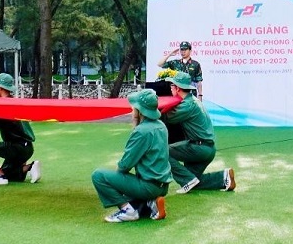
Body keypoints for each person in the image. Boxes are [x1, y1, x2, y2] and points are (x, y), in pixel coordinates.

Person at [90, 89, 171, 223]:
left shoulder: (141, 131)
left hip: (148, 186)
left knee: (98, 176)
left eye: (134, 107)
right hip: (162, 185)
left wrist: (118, 183)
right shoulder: (161, 125)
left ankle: (127, 210)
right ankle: (151, 202)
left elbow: (125, 164)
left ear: (139, 111)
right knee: (130, 192)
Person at [163, 71, 235, 194]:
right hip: (207, 148)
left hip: (198, 148)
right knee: (194, 182)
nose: (170, 88)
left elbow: (166, 118)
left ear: (178, 88)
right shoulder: (193, 100)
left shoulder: (187, 105)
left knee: (161, 152)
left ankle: (186, 180)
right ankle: (223, 177)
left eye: (172, 85)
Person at [0, 73, 40, 185]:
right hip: (28, 148)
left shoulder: (2, 106)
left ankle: (0, 176)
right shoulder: (16, 103)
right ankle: (30, 167)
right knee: (13, 176)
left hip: (16, 148)